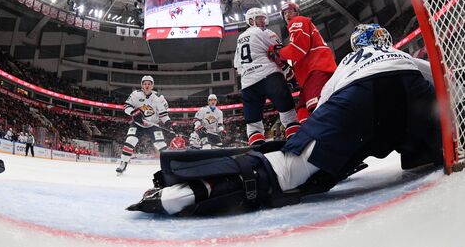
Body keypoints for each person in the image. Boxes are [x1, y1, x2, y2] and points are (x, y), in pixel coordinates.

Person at [127, 24, 443, 216]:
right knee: (433, 133)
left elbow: (329, 107)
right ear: (384, 41)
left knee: (288, 170)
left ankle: (181, 195)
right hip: (412, 92)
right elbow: (440, 80)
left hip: (354, 97)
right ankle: (429, 149)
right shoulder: (402, 56)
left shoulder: (348, 63)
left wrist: (313, 147)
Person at [267, 2, 337, 138]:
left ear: (297, 12)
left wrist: (278, 52)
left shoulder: (297, 21)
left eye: (290, 11)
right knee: (302, 109)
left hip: (316, 70)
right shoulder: (298, 26)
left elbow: (298, 49)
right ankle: (307, 137)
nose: (288, 14)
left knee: (317, 109)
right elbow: (298, 53)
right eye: (285, 13)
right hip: (310, 75)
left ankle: (327, 141)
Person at [233, 7, 298, 146]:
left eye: (263, 18)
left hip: (248, 82)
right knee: (288, 111)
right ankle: (296, 141)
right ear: (250, 21)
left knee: (253, 122)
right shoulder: (265, 32)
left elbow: (237, 65)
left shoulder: (240, 38)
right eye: (259, 18)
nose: (263, 21)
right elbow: (279, 52)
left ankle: (257, 151)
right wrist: (288, 72)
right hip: (270, 76)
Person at [116, 75, 172, 174]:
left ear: (152, 85)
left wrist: (168, 122)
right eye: (145, 83)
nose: (147, 86)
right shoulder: (135, 94)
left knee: (161, 145)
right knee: (130, 140)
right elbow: (126, 107)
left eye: (149, 84)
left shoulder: (159, 97)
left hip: (153, 124)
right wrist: (133, 112)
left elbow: (163, 114)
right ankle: (123, 163)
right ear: (142, 85)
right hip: (138, 124)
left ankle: (169, 165)